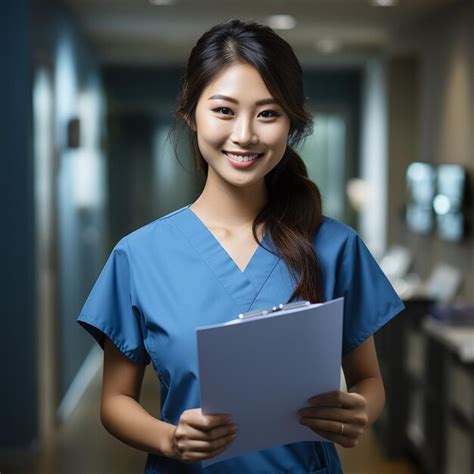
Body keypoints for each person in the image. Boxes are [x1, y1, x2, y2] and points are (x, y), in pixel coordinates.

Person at [77, 18, 405, 473]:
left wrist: (360, 411)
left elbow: (370, 381)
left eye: (268, 113)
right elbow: (114, 400)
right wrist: (171, 440)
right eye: (224, 110)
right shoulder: (139, 255)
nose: (246, 134)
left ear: (291, 122)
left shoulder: (335, 247)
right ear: (191, 113)